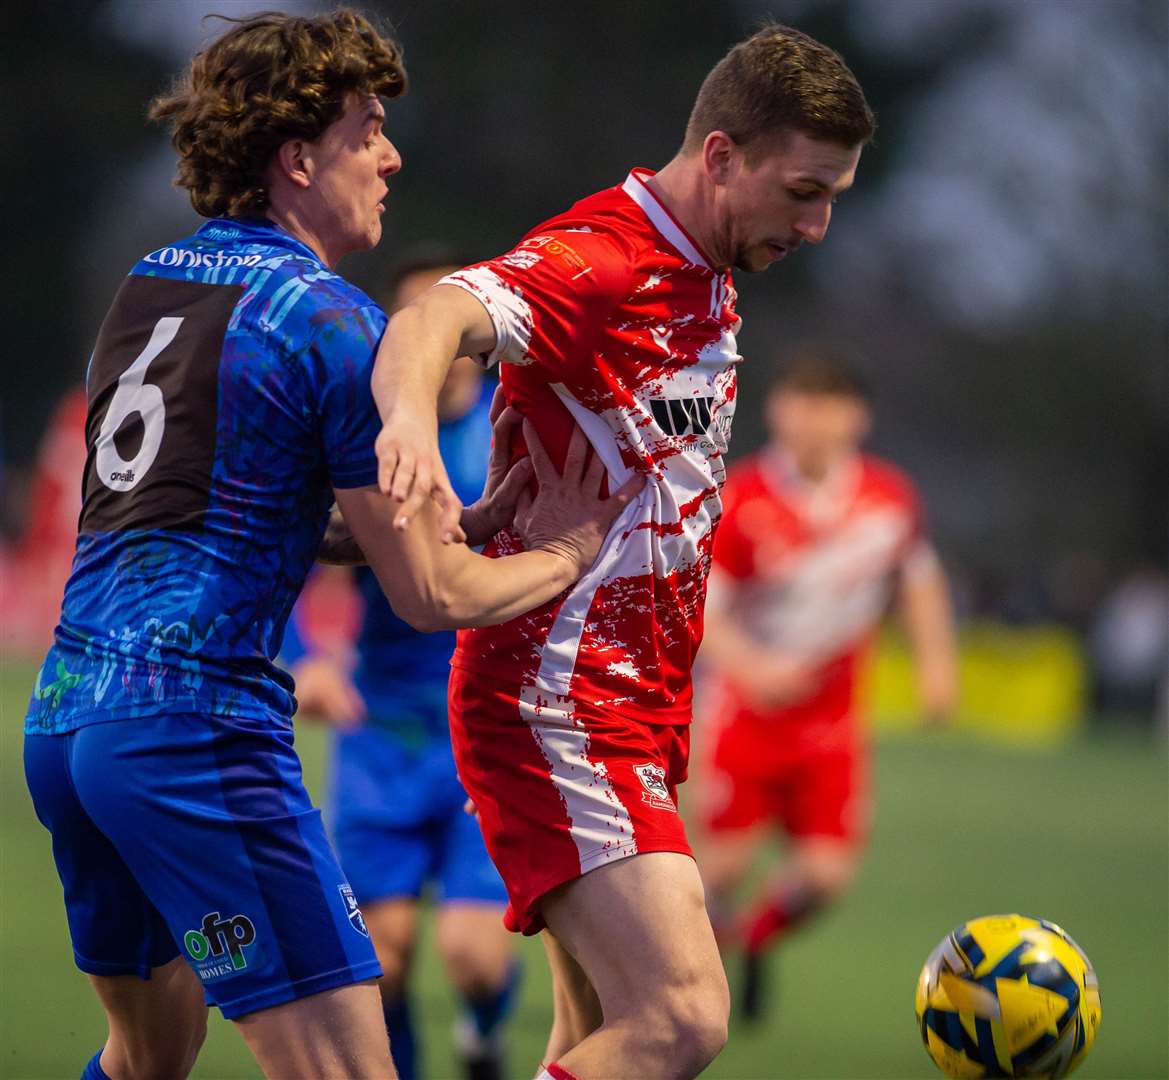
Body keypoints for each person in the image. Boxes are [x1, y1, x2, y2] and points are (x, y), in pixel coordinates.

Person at [21, 11, 638, 1080]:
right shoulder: (327, 316)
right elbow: (431, 598)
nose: (391, 157)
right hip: (193, 738)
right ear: (299, 158)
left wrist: (474, 518)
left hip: (71, 732)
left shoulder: (150, 286)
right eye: (368, 131)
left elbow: (232, 516)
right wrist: (568, 552)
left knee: (145, 1058)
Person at [370, 22, 875, 1080]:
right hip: (557, 697)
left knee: (590, 1037)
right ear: (723, 157)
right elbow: (435, 317)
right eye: (802, 192)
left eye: (833, 195)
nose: (819, 225)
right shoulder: (604, 258)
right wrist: (410, 429)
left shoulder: (704, 270)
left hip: (636, 701)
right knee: (682, 1017)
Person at [285, 253, 522, 1080]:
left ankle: (484, 1033)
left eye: (457, 325)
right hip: (381, 729)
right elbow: (289, 555)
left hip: (487, 726)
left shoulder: (515, 427)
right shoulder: (360, 433)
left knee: (473, 955)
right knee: (381, 960)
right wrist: (308, 663)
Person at [695, 351, 959, 1019]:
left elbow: (918, 581)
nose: (814, 420)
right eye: (800, 401)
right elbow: (699, 607)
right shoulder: (741, 497)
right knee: (717, 871)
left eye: (830, 404)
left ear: (857, 416)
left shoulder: (886, 497)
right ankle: (697, 974)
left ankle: (751, 939)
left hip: (833, 725)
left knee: (822, 879)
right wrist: (750, 666)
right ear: (776, 409)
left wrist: (936, 666)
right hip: (745, 718)